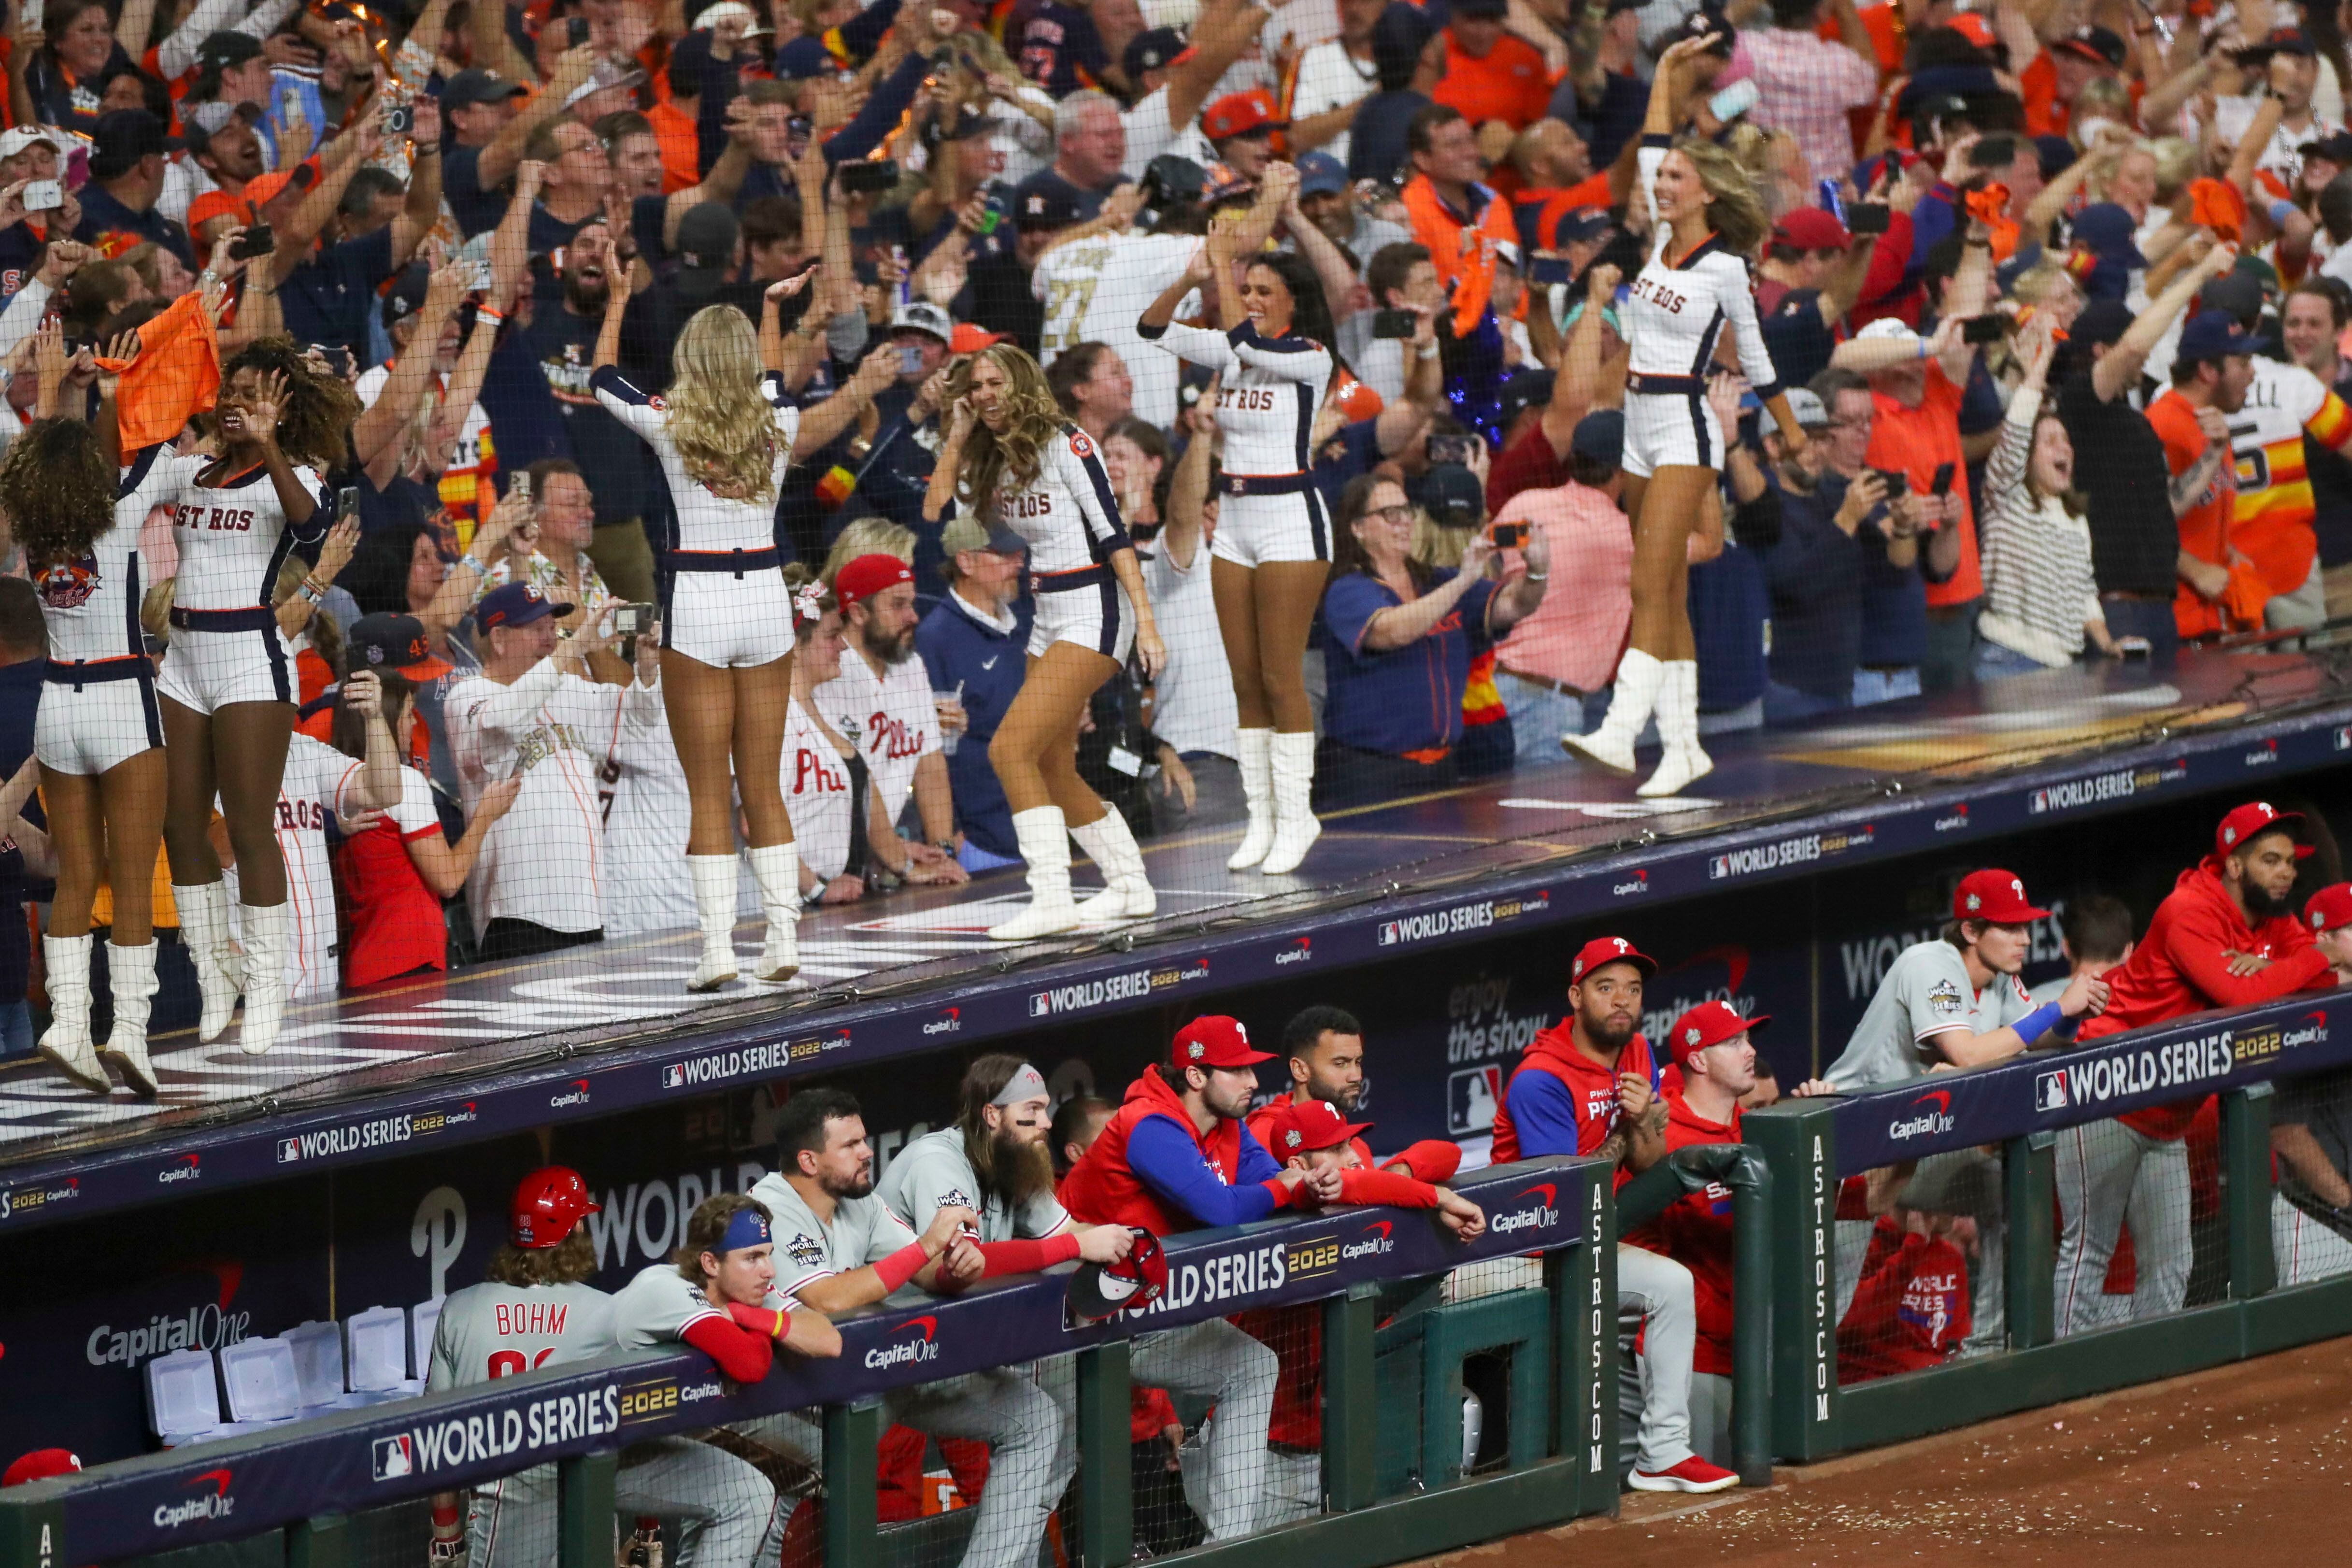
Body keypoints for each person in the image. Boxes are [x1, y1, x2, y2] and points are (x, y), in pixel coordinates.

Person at [592, 259, 892, 991]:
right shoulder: (781, 423)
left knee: (708, 789)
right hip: (764, 598)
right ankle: (784, 936)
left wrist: (620, 298)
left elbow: (602, 375)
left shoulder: (667, 422)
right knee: (763, 780)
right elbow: (770, 380)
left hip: (697, 598)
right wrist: (768, 309)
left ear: (690, 362)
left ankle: (718, 950)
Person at [1564, 34, 1803, 799]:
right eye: (1662, 175)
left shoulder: (1726, 268)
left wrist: (1789, 429)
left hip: (1685, 425)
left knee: (1650, 577)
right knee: (1665, 595)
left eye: (1674, 178)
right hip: (1636, 418)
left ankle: (1620, 727)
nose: (1661, 182)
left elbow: (1758, 357)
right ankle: (1684, 745)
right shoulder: (1661, 243)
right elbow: (1655, 141)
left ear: (1703, 192)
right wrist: (1665, 71)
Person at [747, 1089, 1075, 1568]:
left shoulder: (859, 1203)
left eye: (864, 1140)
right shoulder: (768, 1208)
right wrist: (926, 1249)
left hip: (868, 1382)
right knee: (774, 1507)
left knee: (1035, 1419)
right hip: (784, 1401)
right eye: (851, 1145)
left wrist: (956, 1265)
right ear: (809, 1161)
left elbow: (926, 1268)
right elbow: (829, 1300)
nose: (867, 1152)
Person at [154, 338, 358, 1058]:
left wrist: (271, 445)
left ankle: (267, 983)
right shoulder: (195, 473)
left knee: (247, 826)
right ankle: (219, 973)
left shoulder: (294, 475)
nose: (241, 402)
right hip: (181, 656)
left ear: (284, 408)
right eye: (234, 391)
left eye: (257, 394)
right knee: (179, 824)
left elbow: (313, 529)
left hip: (249, 658)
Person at [2066, 803, 2340, 1330]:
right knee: (2089, 1252)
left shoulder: (2273, 925)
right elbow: (2240, 993)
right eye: (2271, 860)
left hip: (2169, 1112)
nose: (2287, 872)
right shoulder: (2187, 909)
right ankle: (2050, 1386)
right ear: (2235, 866)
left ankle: (2151, 1371)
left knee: (2173, 1263)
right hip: (2110, 1086)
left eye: (2289, 861)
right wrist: (2315, 957)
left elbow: (2323, 986)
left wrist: (2288, 965)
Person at [923, 342, 1164, 940]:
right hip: (1048, 610)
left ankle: (1051, 895)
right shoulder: (994, 457)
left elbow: (1113, 535)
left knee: (1010, 749)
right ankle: (1131, 885)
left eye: (993, 382)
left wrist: (1147, 622)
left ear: (1021, 383)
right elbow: (937, 513)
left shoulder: (1069, 443)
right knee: (1054, 764)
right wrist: (957, 435)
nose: (983, 394)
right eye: (975, 386)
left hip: (1095, 605)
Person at [1817, 870, 2110, 1352]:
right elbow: (1966, 1054)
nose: (2023, 939)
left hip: (1914, 1145)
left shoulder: (1999, 979)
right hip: (1851, 1148)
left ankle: (1990, 1345)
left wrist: (2072, 1015)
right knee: (1826, 1296)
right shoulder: (1929, 963)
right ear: (1971, 931)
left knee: (2005, 1195)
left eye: (2025, 927)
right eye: (2009, 928)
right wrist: (2056, 1007)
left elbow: (2034, 1038)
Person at [1060, 1016, 1327, 1539]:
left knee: (1252, 1368)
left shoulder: (1228, 1125)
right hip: (1067, 1325)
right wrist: (1288, 1188)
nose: (1253, 1082)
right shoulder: (1148, 1126)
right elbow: (1222, 1209)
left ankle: (1226, 1545)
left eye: (1252, 1070)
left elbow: (1263, 1178)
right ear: (1196, 1076)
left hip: (1141, 1317)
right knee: (1044, 1473)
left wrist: (1286, 1184)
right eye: (1238, 1071)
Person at [1486, 937, 1737, 1493]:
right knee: (1664, 1285)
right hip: (1522, 1250)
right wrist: (1633, 1125)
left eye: (1633, 989)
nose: (1622, 1000)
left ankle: (1663, 1454)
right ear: (1576, 996)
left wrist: (1647, 1123)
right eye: (1606, 988)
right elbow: (1565, 1200)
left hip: (1586, 1241)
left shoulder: (1636, 1052)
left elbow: (1649, 1162)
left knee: (1674, 1283)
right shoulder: (1541, 1080)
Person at [1138, 224, 1339, 877]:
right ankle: (1261, 816)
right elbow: (1151, 328)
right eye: (1245, 288)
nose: (1250, 298)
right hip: (1235, 519)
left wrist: (1223, 265)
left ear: (1292, 302)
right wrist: (1192, 277)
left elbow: (1246, 339)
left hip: (1290, 519)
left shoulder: (1309, 356)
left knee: (1283, 675)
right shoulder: (1231, 352)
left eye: (1263, 290)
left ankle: (1297, 813)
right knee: (1245, 679)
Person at [0, 373, 167, 1093]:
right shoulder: (121, 515)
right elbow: (152, 443)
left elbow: (49, 456)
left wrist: (71, 402)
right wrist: (125, 388)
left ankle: (68, 1024)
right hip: (121, 698)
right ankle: (127, 1031)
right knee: (129, 883)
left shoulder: (33, 532)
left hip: (57, 708)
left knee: (74, 876)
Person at [1625, 1002, 1824, 1467]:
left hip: (1768, 1348)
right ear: (1697, 1060)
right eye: (1733, 1043)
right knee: (1699, 1506)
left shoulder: (1757, 1128)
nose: (1749, 1051)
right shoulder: (1661, 1137)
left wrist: (1826, 1121)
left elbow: (1865, 1201)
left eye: (1748, 1040)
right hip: (1696, 1358)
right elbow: (1633, 1244)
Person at [604, 1193, 841, 1568]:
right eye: (752, 1258)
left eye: (767, 1254)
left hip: (637, 1440)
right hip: (568, 1454)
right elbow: (749, 1364)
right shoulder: (663, 1287)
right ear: (710, 1263)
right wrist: (757, 1320)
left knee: (742, 1492)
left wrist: (753, 1317)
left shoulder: (745, 1291)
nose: (769, 1271)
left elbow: (828, 1339)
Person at [444, 583, 660, 961]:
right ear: (498, 638)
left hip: (587, 905)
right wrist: (573, 649)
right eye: (536, 628)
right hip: (516, 909)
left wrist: (647, 667)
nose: (549, 638)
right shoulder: (466, 696)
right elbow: (505, 721)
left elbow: (639, 722)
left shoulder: (569, 690)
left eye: (552, 627)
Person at [426, 1168, 623, 1568]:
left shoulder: (458, 1309)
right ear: (577, 1228)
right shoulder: (608, 1313)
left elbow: (435, 1437)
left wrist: (447, 1536)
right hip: (587, 1500)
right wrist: (649, 1527)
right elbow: (641, 1426)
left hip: (500, 1511)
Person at [1317, 473, 1547, 809]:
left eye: (1407, 511)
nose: (1405, 523)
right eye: (1390, 514)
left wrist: (1537, 573)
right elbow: (1393, 631)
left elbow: (1514, 605)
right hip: (1366, 775)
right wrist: (1465, 580)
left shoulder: (1437, 581)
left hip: (1440, 770)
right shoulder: (1347, 590)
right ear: (1358, 528)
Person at [328, 645, 518, 987]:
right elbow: (447, 880)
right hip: (409, 965)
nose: (415, 722)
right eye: (407, 714)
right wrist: (485, 817)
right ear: (385, 718)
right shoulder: (404, 783)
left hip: (363, 966)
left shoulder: (338, 785)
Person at [1975, 314, 2116, 678]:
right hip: (2008, 661)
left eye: (2065, 441)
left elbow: (2084, 590)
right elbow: (2015, 433)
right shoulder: (2005, 498)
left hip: (2065, 665)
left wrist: (2107, 643)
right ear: (2026, 457)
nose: (2063, 448)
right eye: (2050, 441)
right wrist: (2038, 367)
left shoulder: (2075, 518)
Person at [1489, 411, 1634, 760]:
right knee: (1548, 815)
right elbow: (1708, 544)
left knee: (1487, 812)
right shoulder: (1626, 537)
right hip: (1551, 709)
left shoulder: (1523, 506)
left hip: (1496, 692)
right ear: (1625, 468)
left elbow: (1486, 560)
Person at [818, 554, 968, 891]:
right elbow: (855, 783)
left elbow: (929, 764)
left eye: (912, 604)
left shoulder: (910, 665)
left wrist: (941, 851)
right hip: (826, 867)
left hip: (881, 861)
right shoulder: (829, 674)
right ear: (857, 613)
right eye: (898, 605)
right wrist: (896, 857)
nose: (913, 617)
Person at [914, 516, 1033, 871]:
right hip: (981, 847)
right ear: (965, 562)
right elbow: (934, 749)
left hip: (1039, 833)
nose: (1019, 563)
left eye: (1020, 553)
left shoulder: (1026, 624)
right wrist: (950, 837)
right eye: (1005, 555)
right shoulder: (934, 638)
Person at [2151, 311, 2269, 642]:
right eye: (2243, 362)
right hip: (2174, 622)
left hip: (2206, 618)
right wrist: (2194, 569)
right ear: (2206, 371)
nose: (2252, 372)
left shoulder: (2210, 423)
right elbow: (2137, 523)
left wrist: (2228, 553)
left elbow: (2197, 517)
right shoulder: (2162, 425)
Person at [2273, 882, 2352, 1284]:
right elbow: (2286, 1134)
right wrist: (2347, 1202)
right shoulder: (2300, 1011)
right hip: (2315, 1222)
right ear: (2323, 940)